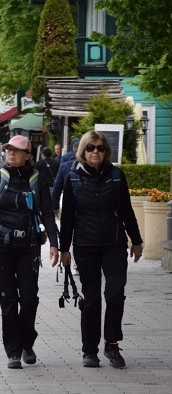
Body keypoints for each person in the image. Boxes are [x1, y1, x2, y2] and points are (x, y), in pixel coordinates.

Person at [58, 130, 143, 369]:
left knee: (115, 294)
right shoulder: (72, 177)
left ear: (106, 151)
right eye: (90, 148)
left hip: (114, 243)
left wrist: (136, 240)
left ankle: (112, 343)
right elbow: (67, 217)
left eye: (100, 148)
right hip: (85, 244)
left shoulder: (116, 176)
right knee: (92, 297)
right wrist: (64, 248)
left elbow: (126, 210)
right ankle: (90, 349)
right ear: (83, 151)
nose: (95, 152)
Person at [0, 135, 60, 370]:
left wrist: (54, 242)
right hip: (1, 247)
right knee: (9, 299)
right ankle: (13, 351)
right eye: (8, 150)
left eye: (16, 150)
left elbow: (46, 214)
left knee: (30, 298)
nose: (11, 154)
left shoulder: (39, 180)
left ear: (27, 155)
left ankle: (27, 343)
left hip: (29, 248)